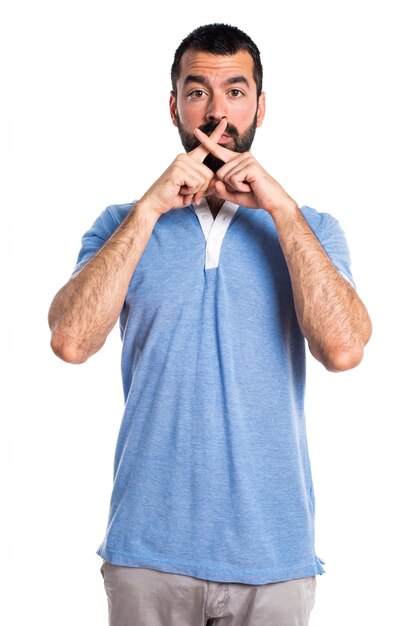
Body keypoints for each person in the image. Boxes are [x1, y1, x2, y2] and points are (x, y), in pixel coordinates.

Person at [48, 23, 372, 626]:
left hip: (273, 557)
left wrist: (280, 207)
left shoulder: (312, 228)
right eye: (197, 92)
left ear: (260, 106)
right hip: (148, 554)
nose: (217, 110)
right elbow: (69, 340)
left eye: (235, 91)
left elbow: (345, 348)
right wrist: (149, 209)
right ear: (174, 105)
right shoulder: (122, 223)